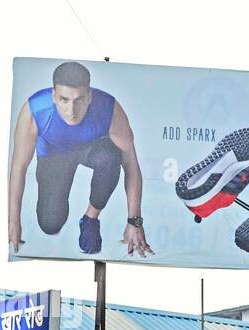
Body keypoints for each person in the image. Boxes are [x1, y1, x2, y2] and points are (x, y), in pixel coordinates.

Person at [9, 61, 152, 258]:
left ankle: (90, 218)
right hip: (54, 155)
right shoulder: (35, 111)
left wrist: (134, 222)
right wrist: (13, 221)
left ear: (90, 97)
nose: (72, 111)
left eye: (79, 100)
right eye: (64, 100)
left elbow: (131, 165)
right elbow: (19, 167)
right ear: (53, 96)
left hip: (90, 148)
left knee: (111, 157)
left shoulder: (110, 110)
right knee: (50, 224)